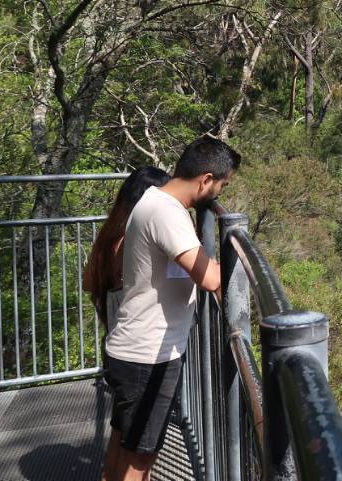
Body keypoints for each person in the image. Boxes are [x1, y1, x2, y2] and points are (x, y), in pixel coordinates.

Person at [100, 137, 240, 481]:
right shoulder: (167, 213)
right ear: (205, 180)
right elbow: (208, 278)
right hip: (148, 358)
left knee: (122, 444)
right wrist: (240, 271)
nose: (219, 194)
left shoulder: (151, 200)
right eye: (222, 185)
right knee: (140, 459)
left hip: (131, 350)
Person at [83, 166, 172, 336]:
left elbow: (88, 283)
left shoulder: (110, 233)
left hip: (115, 334)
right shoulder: (133, 237)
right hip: (142, 338)